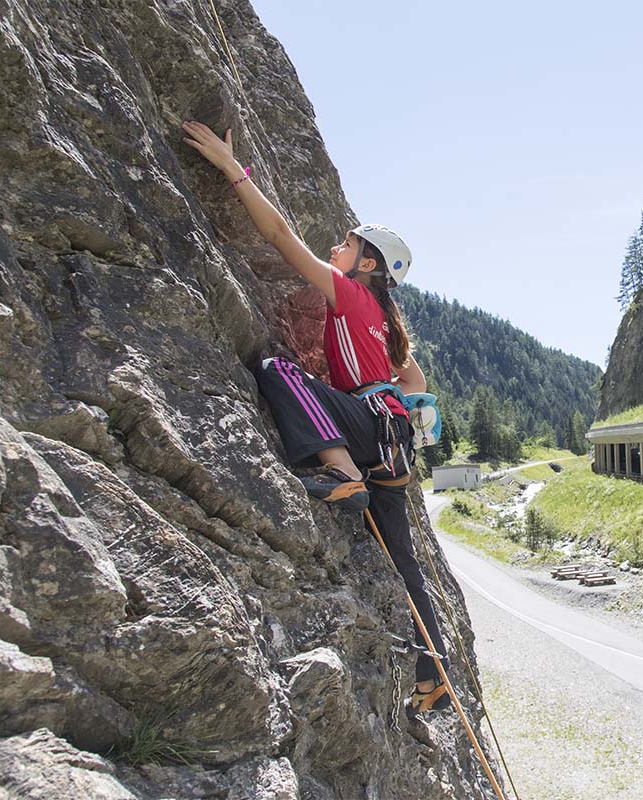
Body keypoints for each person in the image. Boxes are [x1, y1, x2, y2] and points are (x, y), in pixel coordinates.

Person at [181, 120, 452, 714]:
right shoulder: (381, 317)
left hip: (364, 438)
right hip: (392, 447)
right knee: (404, 562)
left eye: (349, 243)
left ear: (367, 265)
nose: (337, 244)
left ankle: (337, 471)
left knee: (278, 371)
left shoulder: (350, 294)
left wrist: (233, 169)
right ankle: (435, 671)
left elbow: (279, 235)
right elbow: (416, 383)